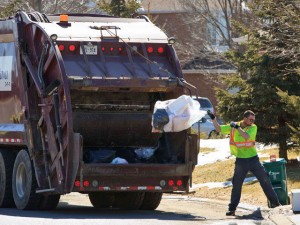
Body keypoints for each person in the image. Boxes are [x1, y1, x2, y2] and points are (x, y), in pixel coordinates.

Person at [207, 109, 280, 216]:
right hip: (241, 160)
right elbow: (218, 129)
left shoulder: (253, 127)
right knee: (236, 184)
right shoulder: (234, 126)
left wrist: (237, 128)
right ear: (244, 118)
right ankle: (232, 209)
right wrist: (213, 119)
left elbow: (246, 136)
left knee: (265, 180)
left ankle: (277, 205)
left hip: (253, 159)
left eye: (253, 120)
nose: (252, 121)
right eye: (250, 119)